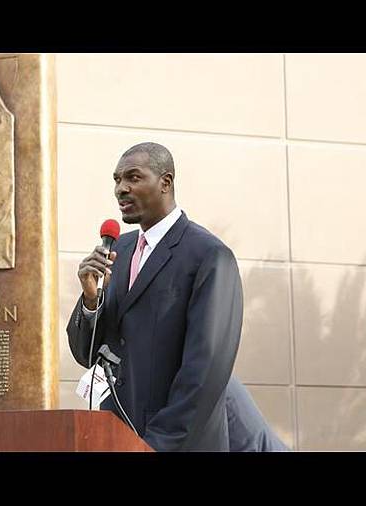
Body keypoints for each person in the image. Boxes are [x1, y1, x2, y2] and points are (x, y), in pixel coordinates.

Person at [67, 142, 286, 451]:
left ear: (166, 182)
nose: (121, 188)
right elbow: (87, 355)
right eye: (117, 180)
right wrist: (91, 301)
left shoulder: (208, 255)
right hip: (119, 436)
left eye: (133, 177)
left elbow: (205, 368)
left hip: (174, 444)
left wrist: (157, 444)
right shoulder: (119, 250)